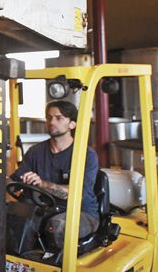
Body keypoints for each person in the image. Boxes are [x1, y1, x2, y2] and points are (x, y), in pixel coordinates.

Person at [11, 100, 99, 249]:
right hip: (45, 208)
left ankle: (59, 270)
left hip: (81, 212)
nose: (52, 122)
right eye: (49, 117)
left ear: (72, 124)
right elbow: (15, 181)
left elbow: (77, 195)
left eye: (59, 118)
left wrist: (42, 184)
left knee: (57, 227)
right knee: (10, 218)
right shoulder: (35, 152)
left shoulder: (86, 155)